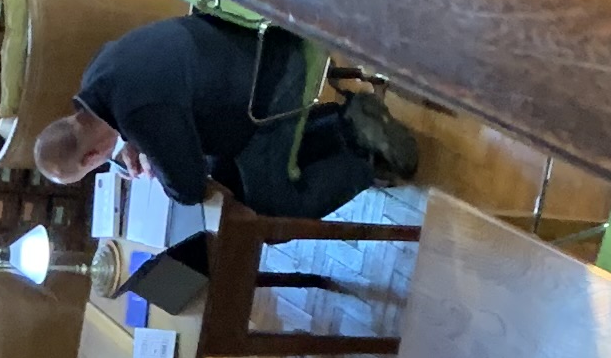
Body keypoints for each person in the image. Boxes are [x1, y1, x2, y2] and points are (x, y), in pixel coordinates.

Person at [31, 12, 417, 218]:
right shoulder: (95, 76)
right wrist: (136, 142)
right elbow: (153, 91)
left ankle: (366, 162)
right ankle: (347, 124)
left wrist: (152, 155)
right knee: (230, 170)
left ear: (90, 158)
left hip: (272, 78)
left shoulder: (138, 114)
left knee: (270, 203)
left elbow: (188, 187)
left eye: (93, 168)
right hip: (255, 40)